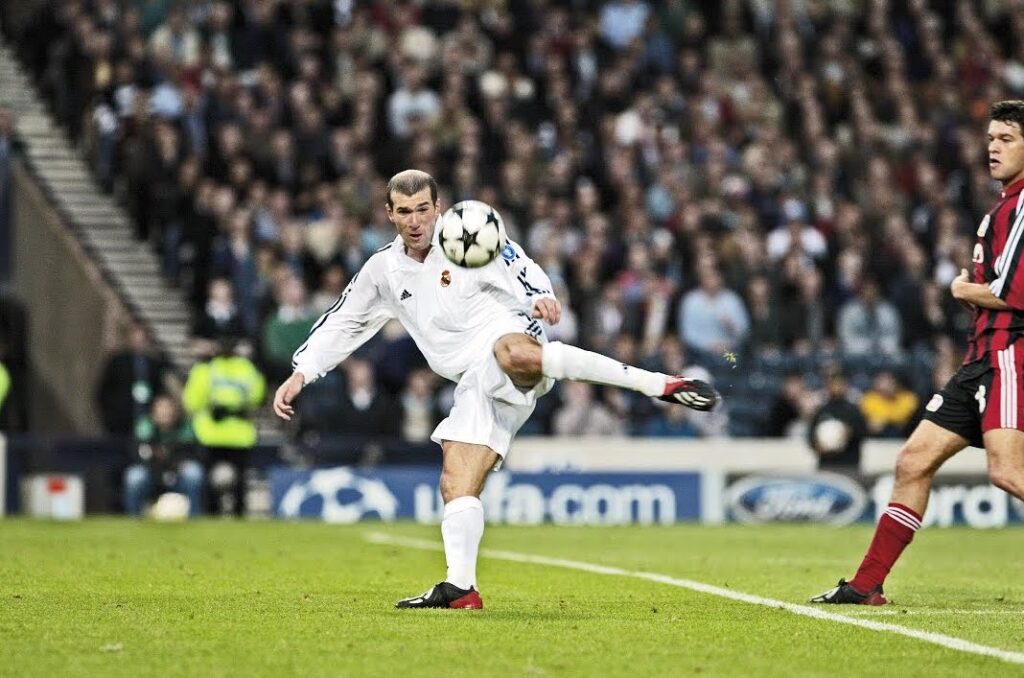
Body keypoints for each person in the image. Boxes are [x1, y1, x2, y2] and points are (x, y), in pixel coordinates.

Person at [273, 170, 717, 610]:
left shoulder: (468, 236)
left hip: (510, 338)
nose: (415, 221)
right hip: (472, 383)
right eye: (404, 212)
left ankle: (657, 383)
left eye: (423, 210)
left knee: (511, 353)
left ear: (438, 208)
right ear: (389, 214)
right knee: (455, 482)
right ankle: (461, 588)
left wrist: (540, 296)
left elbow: (518, 264)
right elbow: (344, 319)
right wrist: (302, 372)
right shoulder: (383, 271)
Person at [811, 101, 1024, 606]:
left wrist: (961, 288)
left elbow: (1012, 292)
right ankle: (865, 586)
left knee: (1007, 472)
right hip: (980, 360)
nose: (992, 147)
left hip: (1009, 355)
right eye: (990, 137)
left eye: (1007, 139)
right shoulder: (1004, 204)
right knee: (912, 462)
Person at [183, 339, 266, 516]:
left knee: (211, 481)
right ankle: (238, 515)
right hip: (238, 433)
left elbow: (192, 401)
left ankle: (211, 514)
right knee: (239, 483)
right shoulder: (247, 368)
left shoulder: (205, 369)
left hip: (210, 432)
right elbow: (257, 396)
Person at [123, 394, 204, 517]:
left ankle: (195, 517)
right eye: (161, 409)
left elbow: (195, 454)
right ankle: (133, 518)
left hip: (178, 475)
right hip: (152, 475)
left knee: (194, 473)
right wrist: (158, 467)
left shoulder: (185, 428)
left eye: (168, 409)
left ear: (175, 411)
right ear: (153, 413)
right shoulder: (145, 428)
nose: (165, 413)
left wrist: (172, 463)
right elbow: (136, 455)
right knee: (134, 476)